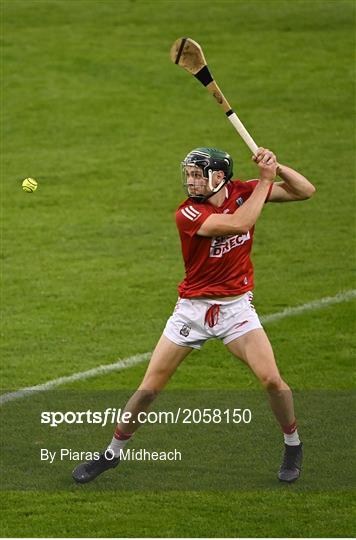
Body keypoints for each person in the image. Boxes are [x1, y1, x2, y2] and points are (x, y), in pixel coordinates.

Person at [72, 146, 315, 484]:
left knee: (272, 380)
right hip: (193, 310)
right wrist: (264, 181)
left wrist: (276, 167)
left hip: (236, 309)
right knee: (149, 389)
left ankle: (293, 444)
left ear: (219, 177)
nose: (191, 181)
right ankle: (111, 453)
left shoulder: (243, 191)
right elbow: (239, 223)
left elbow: (306, 191)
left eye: (198, 174)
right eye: (188, 174)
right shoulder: (187, 214)